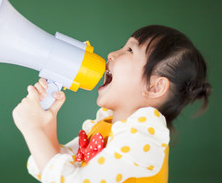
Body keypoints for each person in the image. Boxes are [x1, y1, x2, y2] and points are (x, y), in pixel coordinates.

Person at [12, 25, 211, 183]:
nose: (112, 54)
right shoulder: (105, 125)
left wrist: (33, 130)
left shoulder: (144, 139)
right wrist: (47, 127)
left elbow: (72, 179)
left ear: (154, 87)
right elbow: (56, 168)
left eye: (130, 50)